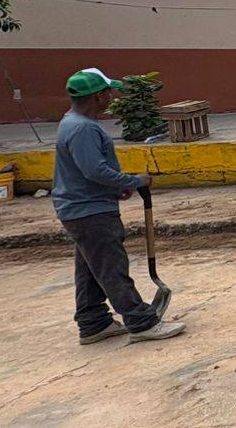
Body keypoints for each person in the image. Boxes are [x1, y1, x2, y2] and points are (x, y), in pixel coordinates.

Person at [52, 69, 185, 344]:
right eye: (108, 92)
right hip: (90, 210)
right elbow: (94, 170)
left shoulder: (71, 123)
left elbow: (90, 171)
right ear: (98, 96)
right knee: (111, 267)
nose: (111, 97)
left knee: (89, 269)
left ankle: (93, 322)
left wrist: (117, 187)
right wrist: (134, 181)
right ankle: (141, 322)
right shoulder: (83, 128)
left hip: (80, 207)